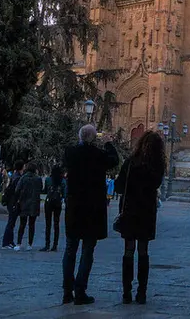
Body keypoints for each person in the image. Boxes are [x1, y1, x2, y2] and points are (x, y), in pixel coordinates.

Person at [62, 125, 119, 305]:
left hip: (74, 207)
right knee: (87, 251)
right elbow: (114, 160)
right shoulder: (98, 155)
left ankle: (66, 291)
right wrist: (108, 143)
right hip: (92, 210)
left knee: (70, 250)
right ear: (94, 138)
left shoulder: (70, 153)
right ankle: (80, 291)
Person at [114, 130, 165, 305]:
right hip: (146, 212)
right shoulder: (157, 165)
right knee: (143, 252)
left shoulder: (130, 163)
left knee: (128, 251)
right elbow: (156, 184)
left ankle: (126, 293)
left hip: (130, 210)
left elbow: (119, 186)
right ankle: (141, 293)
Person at [14, 162, 42, 251]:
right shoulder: (38, 179)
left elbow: (17, 189)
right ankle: (30, 244)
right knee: (32, 225)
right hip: (34, 203)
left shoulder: (23, 178)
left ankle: (18, 243)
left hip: (24, 203)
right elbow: (40, 189)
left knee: (22, 224)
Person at [41, 165, 65, 252]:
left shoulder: (48, 180)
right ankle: (55, 245)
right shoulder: (62, 181)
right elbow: (64, 193)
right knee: (56, 224)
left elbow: (45, 190)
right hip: (57, 203)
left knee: (48, 224)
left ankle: (47, 244)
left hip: (49, 202)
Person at [1, 160, 24, 249]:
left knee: (11, 222)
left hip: (11, 202)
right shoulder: (18, 178)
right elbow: (16, 191)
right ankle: (6, 242)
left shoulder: (15, 176)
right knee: (11, 222)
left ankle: (9, 241)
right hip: (13, 202)